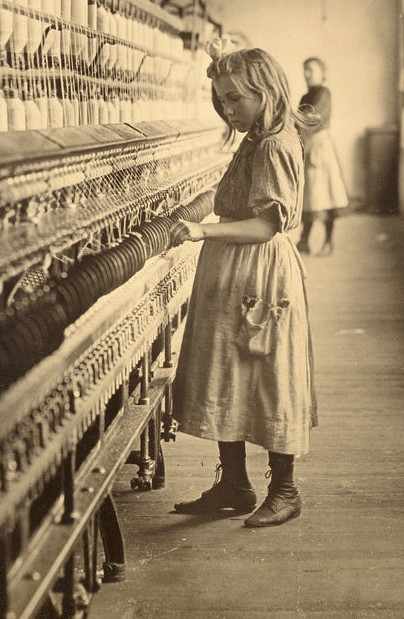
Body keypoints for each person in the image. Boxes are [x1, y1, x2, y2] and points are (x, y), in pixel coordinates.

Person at [169, 42, 318, 528]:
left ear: (266, 92)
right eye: (221, 100)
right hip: (234, 270)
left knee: (269, 376)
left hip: (258, 271)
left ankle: (286, 489)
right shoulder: (256, 137)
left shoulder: (274, 144)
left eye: (235, 98)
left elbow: (265, 226)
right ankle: (234, 484)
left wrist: (200, 229)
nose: (227, 109)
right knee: (226, 372)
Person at [297, 57, 349, 255]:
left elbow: (312, 118)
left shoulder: (324, 93)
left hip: (321, 147)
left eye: (311, 70)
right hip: (309, 146)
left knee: (327, 195)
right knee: (310, 195)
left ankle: (328, 241)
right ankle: (304, 240)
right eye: (305, 70)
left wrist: (295, 123)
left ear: (322, 73)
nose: (307, 74)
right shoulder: (305, 96)